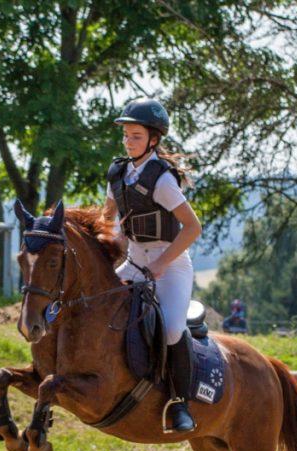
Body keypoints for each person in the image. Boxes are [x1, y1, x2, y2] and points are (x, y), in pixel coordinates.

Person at [105, 98, 203, 433]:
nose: (128, 142)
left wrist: (162, 262)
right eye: (126, 135)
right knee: (100, 303)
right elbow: (106, 220)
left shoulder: (162, 180)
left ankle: (180, 402)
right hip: (134, 261)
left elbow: (193, 228)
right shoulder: (117, 174)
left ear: (153, 139)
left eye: (135, 136)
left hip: (170, 264)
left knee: (173, 329)